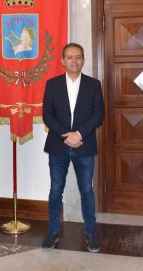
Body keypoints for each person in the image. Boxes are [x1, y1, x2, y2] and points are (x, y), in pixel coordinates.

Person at [41, 43, 104, 251]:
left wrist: (79, 134)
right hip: (59, 146)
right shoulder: (52, 84)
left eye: (78, 57)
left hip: (84, 146)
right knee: (55, 190)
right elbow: (47, 114)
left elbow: (98, 114)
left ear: (83, 60)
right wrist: (65, 135)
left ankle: (91, 233)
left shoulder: (94, 84)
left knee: (87, 190)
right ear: (63, 60)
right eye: (70, 57)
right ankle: (52, 232)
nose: (74, 60)